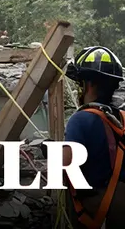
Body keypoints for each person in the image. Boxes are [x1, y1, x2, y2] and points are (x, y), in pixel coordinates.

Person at [64, 46, 125, 229]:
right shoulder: (122, 118)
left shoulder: (81, 119)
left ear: (88, 83)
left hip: (99, 212)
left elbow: (67, 165)